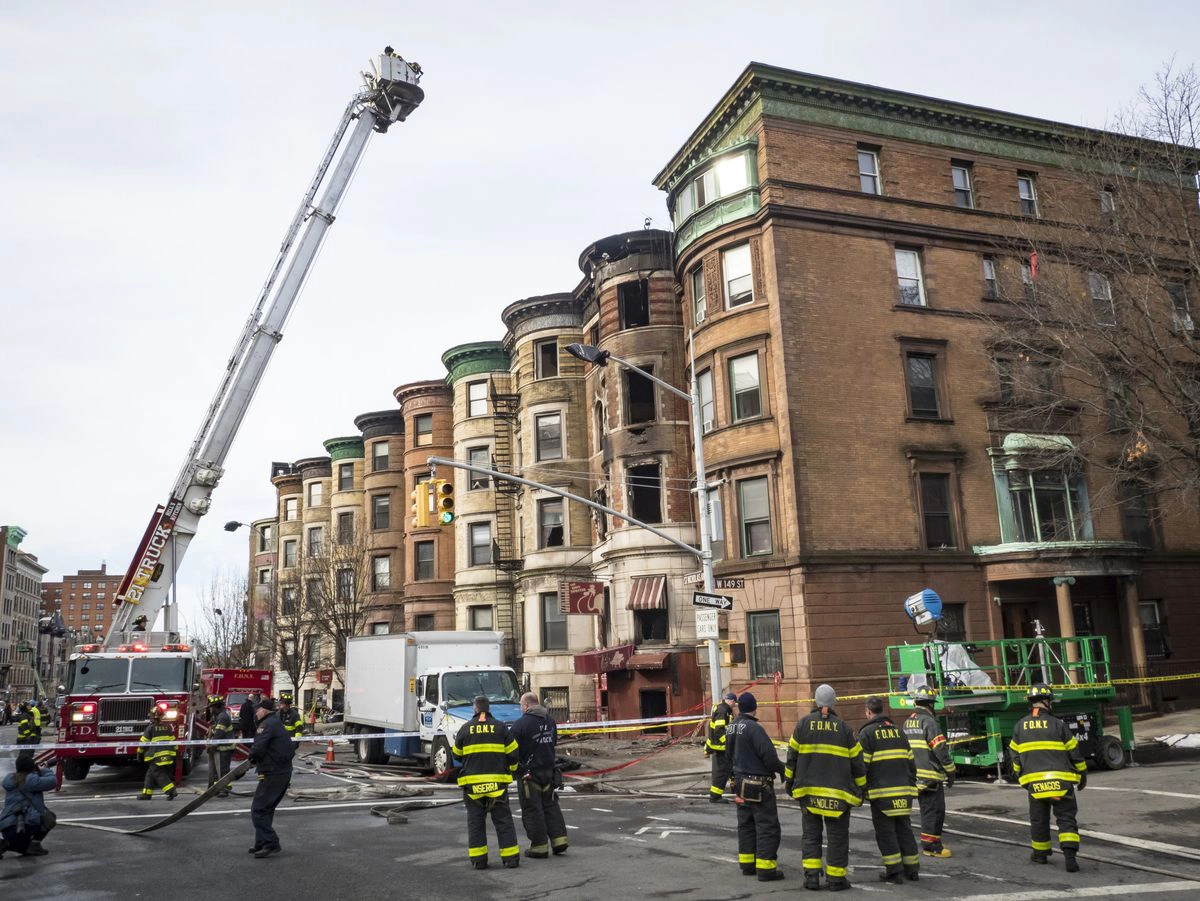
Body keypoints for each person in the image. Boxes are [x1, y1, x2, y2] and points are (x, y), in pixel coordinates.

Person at [785, 684, 866, 892]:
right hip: (838, 795)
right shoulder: (845, 729)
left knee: (811, 836)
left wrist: (789, 782)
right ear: (834, 702)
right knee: (837, 837)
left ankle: (812, 878)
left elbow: (791, 757)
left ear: (815, 701)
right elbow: (857, 762)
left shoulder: (802, 725)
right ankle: (836, 880)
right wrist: (862, 788)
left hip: (808, 793)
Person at [1010, 685, 1087, 872]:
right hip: (1062, 783)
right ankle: (1070, 858)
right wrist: (1082, 774)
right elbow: (1074, 751)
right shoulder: (1057, 724)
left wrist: (1022, 777)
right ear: (1047, 701)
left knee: (1039, 820)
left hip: (1035, 786)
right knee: (1066, 818)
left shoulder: (1020, 726)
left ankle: (1040, 855)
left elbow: (1015, 757)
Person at [451, 695, 521, 870]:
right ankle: (510, 858)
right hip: (498, 785)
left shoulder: (465, 729)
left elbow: (456, 755)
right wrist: (511, 770)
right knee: (503, 821)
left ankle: (479, 860)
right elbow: (513, 753)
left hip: (472, 787)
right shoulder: (501, 728)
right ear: (488, 709)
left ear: (475, 709)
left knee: (475, 822)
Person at [859, 696, 920, 883]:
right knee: (905, 830)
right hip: (903, 792)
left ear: (868, 712)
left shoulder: (867, 734)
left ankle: (895, 872)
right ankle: (912, 869)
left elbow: (863, 766)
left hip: (882, 794)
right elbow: (911, 763)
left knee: (886, 833)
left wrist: (860, 789)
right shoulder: (899, 732)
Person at [726, 692, 786, 882]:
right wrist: (782, 770)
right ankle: (766, 868)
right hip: (758, 785)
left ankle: (747, 864)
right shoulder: (754, 728)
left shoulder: (731, 727)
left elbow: (727, 756)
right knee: (767, 826)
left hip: (739, 782)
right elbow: (768, 756)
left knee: (746, 825)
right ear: (755, 706)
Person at [509, 691, 569, 859]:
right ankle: (559, 841)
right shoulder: (550, 721)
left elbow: (512, 751)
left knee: (532, 810)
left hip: (530, 775)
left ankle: (539, 847)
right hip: (549, 773)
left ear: (526, 706)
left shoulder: (520, 725)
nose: (521, 709)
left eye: (521, 706)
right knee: (551, 807)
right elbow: (553, 742)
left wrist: (515, 770)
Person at [902, 685, 956, 858]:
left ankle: (929, 843)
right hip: (931, 776)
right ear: (931, 704)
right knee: (935, 811)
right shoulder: (929, 722)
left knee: (926, 811)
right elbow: (940, 749)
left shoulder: (907, 722)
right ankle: (931, 846)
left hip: (915, 776)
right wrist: (951, 771)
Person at [248, 696, 295, 859]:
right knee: (266, 809)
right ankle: (260, 843)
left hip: (272, 773)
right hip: (281, 772)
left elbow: (258, 748)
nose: (256, 712)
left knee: (258, 809)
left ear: (265, 710)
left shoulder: (266, 725)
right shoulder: (276, 723)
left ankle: (271, 843)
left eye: (258, 709)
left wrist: (252, 757)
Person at [0, 756, 58, 858]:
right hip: (21, 827)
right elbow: (52, 781)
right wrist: (45, 769)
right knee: (49, 818)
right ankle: (31, 844)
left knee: (17, 844)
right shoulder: (31, 780)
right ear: (31, 767)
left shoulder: (11, 779)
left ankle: (8, 843)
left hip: (6, 826)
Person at [139, 706, 178, 800]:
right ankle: (146, 794)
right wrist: (175, 753)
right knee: (150, 774)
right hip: (168, 756)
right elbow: (174, 742)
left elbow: (143, 743)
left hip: (155, 757)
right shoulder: (167, 727)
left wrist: (139, 753)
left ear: (153, 717)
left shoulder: (150, 729)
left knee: (159, 775)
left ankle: (171, 791)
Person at [705, 691, 738, 802]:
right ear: (732, 701)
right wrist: (728, 742)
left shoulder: (724, 710)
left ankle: (736, 791)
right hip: (721, 748)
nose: (735, 705)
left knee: (731, 769)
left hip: (723, 747)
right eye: (735, 703)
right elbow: (719, 731)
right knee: (722, 772)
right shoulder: (723, 711)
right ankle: (715, 796)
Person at [207, 695, 236, 797]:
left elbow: (219, 733)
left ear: (217, 706)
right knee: (216, 771)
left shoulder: (223, 717)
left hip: (224, 748)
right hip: (219, 748)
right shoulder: (218, 716)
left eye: (212, 707)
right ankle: (216, 789)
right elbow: (214, 731)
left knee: (222, 771)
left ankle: (224, 790)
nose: (211, 709)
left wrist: (212, 745)